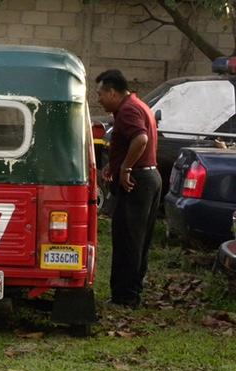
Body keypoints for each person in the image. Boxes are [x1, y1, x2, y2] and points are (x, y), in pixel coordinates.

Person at [96, 69, 162, 308]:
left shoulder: (127, 110)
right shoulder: (138, 105)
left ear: (113, 92)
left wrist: (125, 168)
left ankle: (125, 297)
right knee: (138, 240)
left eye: (101, 94)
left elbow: (140, 139)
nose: (99, 99)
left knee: (127, 239)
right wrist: (113, 167)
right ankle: (132, 292)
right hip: (149, 178)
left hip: (137, 182)